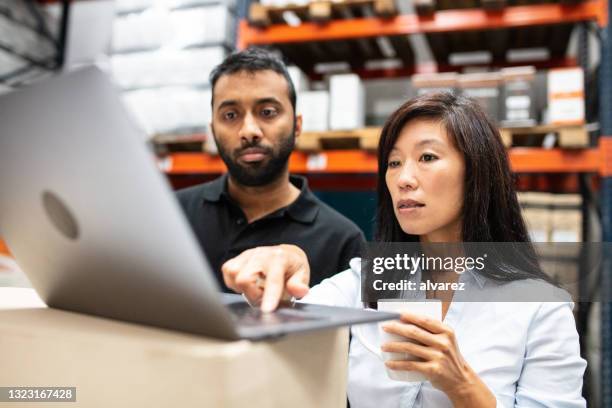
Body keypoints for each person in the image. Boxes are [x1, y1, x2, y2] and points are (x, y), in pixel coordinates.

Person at [221, 93, 587, 407]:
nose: (403, 178)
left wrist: (463, 387)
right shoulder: (369, 280)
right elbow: (287, 316)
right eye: (394, 162)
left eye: (427, 158)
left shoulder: (541, 306)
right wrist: (283, 266)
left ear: (478, 173)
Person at [176, 48, 365, 291]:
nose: (249, 130)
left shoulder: (344, 240)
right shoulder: (173, 215)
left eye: (267, 112)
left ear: (297, 126)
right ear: (213, 130)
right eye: (231, 115)